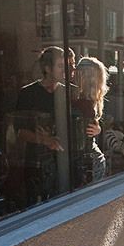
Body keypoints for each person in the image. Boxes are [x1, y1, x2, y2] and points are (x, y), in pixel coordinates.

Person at [15, 46, 74, 206]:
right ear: (47, 68)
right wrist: (45, 140)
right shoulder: (28, 94)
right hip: (37, 164)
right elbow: (19, 132)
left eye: (68, 65)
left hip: (66, 163)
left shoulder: (71, 93)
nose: (66, 70)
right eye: (61, 66)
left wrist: (97, 128)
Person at [72, 57, 108, 184]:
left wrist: (98, 129)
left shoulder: (86, 101)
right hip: (86, 160)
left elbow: (93, 125)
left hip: (89, 159)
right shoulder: (78, 99)